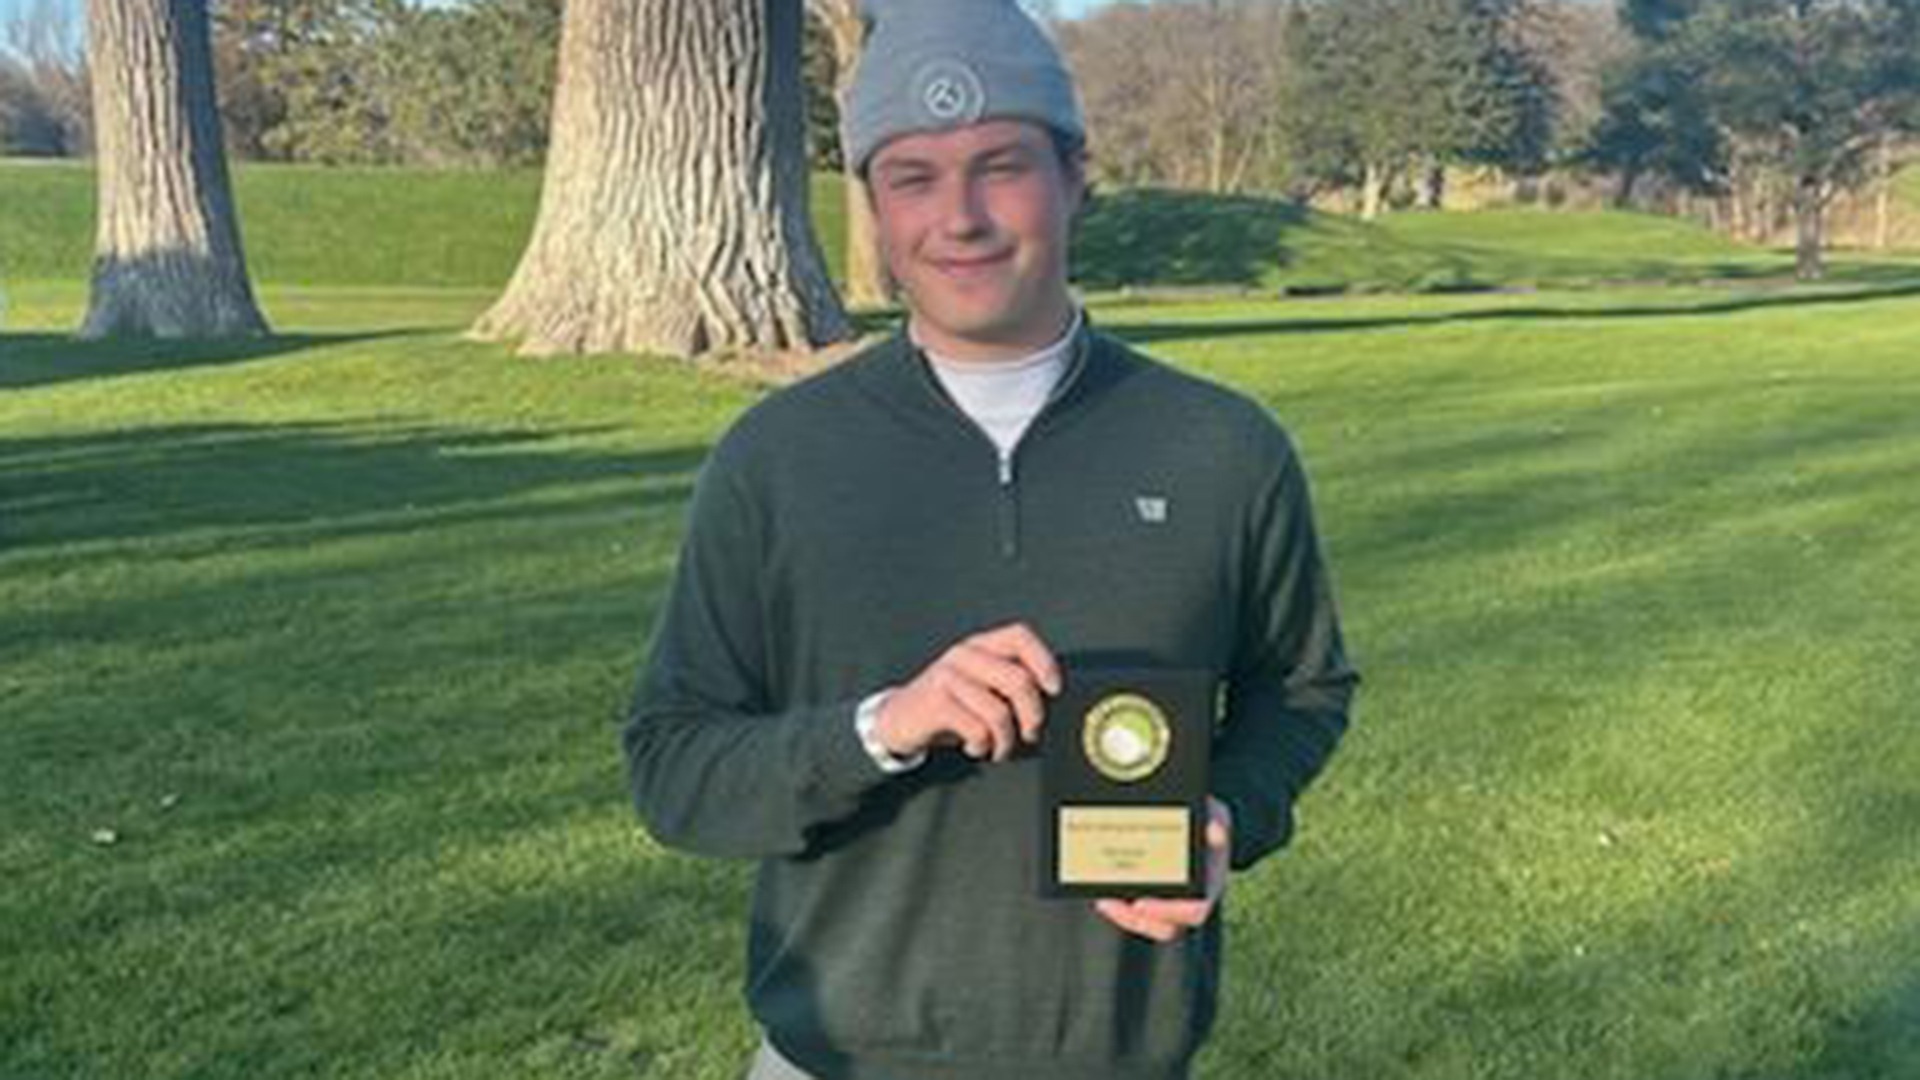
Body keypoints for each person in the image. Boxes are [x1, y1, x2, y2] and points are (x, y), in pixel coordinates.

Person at [622, 2, 1359, 1077]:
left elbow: (1302, 688)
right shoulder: (776, 458)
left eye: (1000, 165)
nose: (959, 216)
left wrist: (1225, 814)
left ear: (1073, 176)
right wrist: (884, 725)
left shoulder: (1221, 449)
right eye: (912, 176)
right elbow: (673, 764)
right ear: (872, 205)